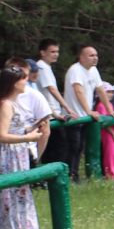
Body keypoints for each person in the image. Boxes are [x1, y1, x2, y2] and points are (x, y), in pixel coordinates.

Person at [1, 62, 50, 229]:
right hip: (8, 156)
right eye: (23, 78)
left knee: (19, 198)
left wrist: (35, 127)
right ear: (14, 83)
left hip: (18, 154)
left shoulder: (13, 103)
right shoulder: (5, 104)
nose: (26, 81)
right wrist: (28, 138)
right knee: (10, 198)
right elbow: (2, 135)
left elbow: (16, 128)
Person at [32, 40, 79, 176]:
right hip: (49, 116)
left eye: (57, 51)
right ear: (42, 52)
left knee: (55, 148)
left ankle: (50, 177)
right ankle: (51, 177)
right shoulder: (42, 67)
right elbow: (52, 89)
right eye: (52, 51)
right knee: (57, 148)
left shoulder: (47, 67)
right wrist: (68, 108)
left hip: (52, 113)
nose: (56, 54)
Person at [62, 44, 105, 180]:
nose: (95, 58)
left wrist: (110, 110)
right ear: (81, 57)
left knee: (80, 147)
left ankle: (74, 174)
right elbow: (78, 91)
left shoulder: (94, 70)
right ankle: (70, 175)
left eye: (96, 55)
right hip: (74, 116)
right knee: (73, 147)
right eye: (91, 55)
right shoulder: (75, 70)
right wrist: (89, 111)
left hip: (84, 116)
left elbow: (100, 90)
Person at [92, 83, 114, 180]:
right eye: (108, 92)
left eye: (112, 92)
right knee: (109, 152)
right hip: (107, 133)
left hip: (113, 132)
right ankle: (109, 173)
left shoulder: (111, 105)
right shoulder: (101, 105)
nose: (111, 94)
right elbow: (103, 122)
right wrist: (112, 132)